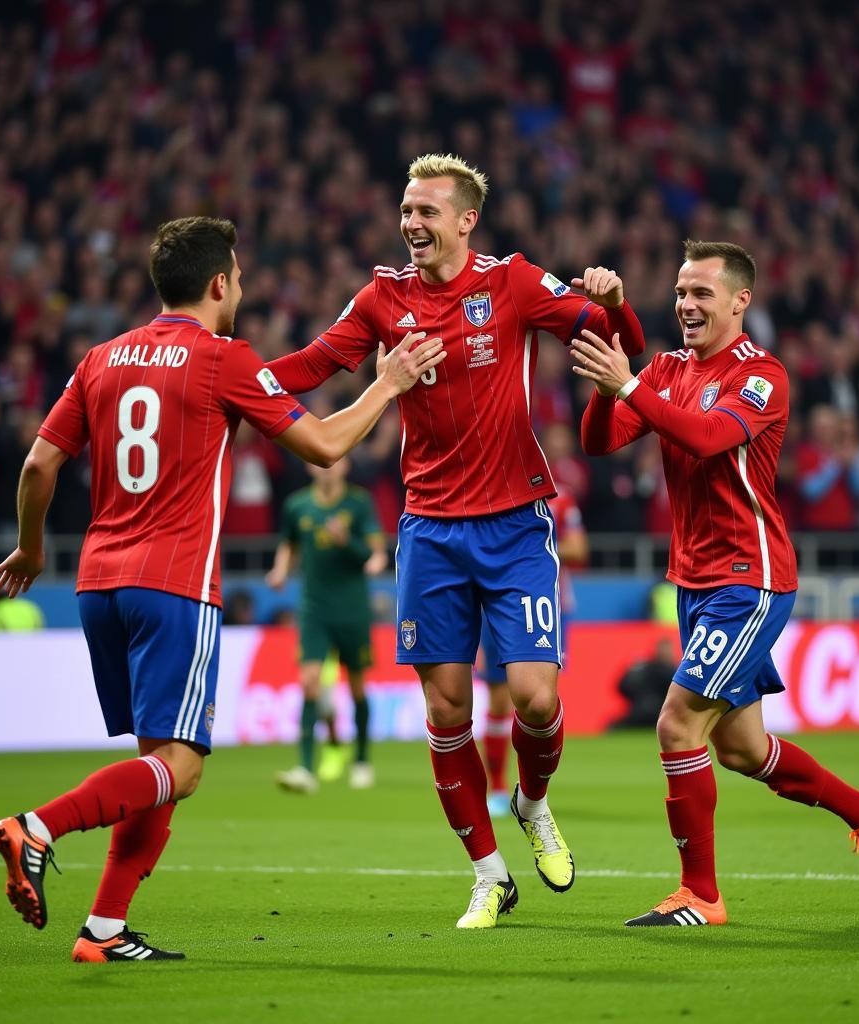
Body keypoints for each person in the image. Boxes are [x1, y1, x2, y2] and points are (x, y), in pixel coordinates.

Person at [0, 215, 444, 963]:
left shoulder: (100, 358)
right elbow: (325, 444)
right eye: (238, 274)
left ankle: (103, 931)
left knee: (157, 767)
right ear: (220, 283)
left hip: (97, 584)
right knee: (184, 765)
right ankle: (37, 828)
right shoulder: (222, 359)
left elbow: (39, 465)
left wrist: (32, 547)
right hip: (174, 586)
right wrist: (387, 383)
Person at [266, 154, 646, 928]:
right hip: (431, 530)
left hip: (515, 524)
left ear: (466, 220)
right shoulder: (383, 297)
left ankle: (532, 803)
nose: (412, 223)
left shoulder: (511, 284)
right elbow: (310, 365)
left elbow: (615, 339)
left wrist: (615, 301)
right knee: (446, 711)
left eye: (427, 212)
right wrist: (226, 381)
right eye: (406, 210)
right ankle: (488, 875)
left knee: (537, 698)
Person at [573, 239, 859, 927]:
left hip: (748, 579)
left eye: (702, 295)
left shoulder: (762, 375)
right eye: (681, 293)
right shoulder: (665, 368)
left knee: (676, 723)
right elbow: (601, 442)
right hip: (694, 580)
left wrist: (631, 386)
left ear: (740, 301)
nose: (687, 305)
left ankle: (702, 894)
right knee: (744, 749)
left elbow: (709, 437)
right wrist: (614, 387)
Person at [266, 457, 387, 792]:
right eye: (321, 462)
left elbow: (374, 551)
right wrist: (280, 570)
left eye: (335, 462)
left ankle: (362, 759)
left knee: (358, 685)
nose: (327, 468)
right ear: (309, 467)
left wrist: (350, 543)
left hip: (351, 609)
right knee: (309, 682)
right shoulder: (297, 505)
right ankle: (305, 768)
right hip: (314, 608)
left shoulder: (359, 503)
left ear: (347, 466)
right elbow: (288, 545)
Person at [481, 482, 588, 818]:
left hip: (546, 603)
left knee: (538, 699)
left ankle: (531, 792)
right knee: (498, 697)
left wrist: (532, 541)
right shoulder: (491, 491)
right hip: (495, 602)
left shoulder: (561, 497)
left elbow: (578, 549)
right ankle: (496, 787)